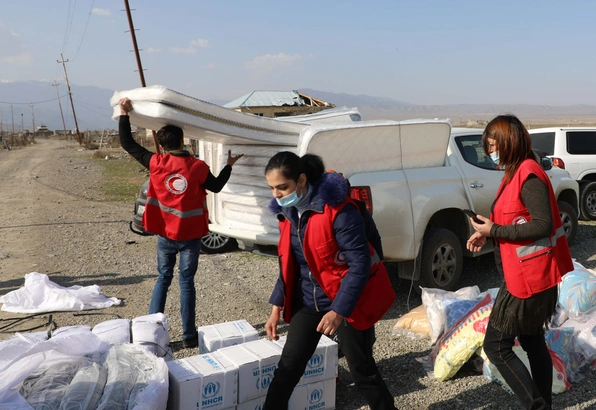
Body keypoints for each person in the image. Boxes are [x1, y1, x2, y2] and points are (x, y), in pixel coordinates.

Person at [262, 151, 397, 410]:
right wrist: (276, 306)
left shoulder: (338, 211)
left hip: (346, 301)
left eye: (282, 187)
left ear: (301, 180)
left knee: (362, 372)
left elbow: (359, 264)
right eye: (272, 188)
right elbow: (290, 265)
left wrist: (338, 311)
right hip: (308, 301)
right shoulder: (287, 215)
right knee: (287, 370)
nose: (276, 194)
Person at [466, 114, 574, 410]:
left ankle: (536, 406)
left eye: (492, 145)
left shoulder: (528, 173)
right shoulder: (515, 172)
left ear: (508, 142)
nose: (490, 152)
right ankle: (544, 405)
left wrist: (495, 231)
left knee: (496, 346)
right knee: (531, 339)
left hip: (529, 278)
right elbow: (515, 218)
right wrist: (487, 234)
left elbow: (542, 224)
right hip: (523, 273)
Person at [118, 97, 243, 348]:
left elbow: (127, 143)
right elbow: (216, 186)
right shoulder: (197, 167)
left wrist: (124, 114)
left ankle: (149, 334)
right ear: (183, 141)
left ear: (162, 146)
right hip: (191, 236)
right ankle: (188, 337)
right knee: (186, 282)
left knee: (163, 278)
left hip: (165, 235)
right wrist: (228, 166)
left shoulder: (156, 163)